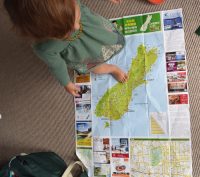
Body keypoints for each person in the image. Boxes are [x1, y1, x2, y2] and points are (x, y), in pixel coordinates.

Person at [4, 0, 128, 97]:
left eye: (74, 15)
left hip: (95, 28)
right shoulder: (44, 48)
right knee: (96, 68)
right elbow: (57, 66)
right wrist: (66, 83)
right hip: (82, 55)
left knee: (109, 37)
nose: (76, 27)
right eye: (65, 31)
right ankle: (112, 69)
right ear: (42, 35)